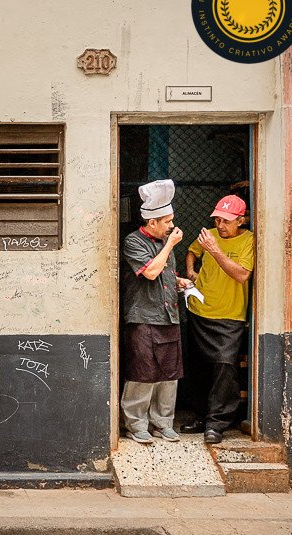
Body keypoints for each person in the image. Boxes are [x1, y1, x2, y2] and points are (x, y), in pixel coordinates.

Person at [120, 179, 193, 444]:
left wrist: (179, 281)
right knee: (143, 373)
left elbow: (164, 274)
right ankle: (136, 424)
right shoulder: (134, 242)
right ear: (152, 222)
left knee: (169, 375)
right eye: (167, 222)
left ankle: (163, 423)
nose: (172, 226)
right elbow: (150, 272)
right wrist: (170, 246)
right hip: (142, 318)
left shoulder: (165, 243)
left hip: (168, 315)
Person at [181, 195, 254, 444]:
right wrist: (191, 270)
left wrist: (214, 250)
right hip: (199, 310)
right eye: (218, 219)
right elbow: (192, 251)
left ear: (241, 220)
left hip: (229, 315)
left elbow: (242, 275)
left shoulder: (249, 241)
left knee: (224, 366)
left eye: (226, 221)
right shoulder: (209, 235)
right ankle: (202, 416)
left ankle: (217, 423)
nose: (220, 225)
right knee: (199, 367)